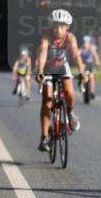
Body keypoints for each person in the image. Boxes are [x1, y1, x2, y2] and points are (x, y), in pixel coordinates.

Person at [35, 9, 86, 152]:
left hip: (62, 66)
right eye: (56, 26)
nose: (58, 29)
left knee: (69, 91)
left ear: (67, 27)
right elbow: (43, 54)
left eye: (62, 26)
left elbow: (76, 55)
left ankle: (70, 112)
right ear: (51, 26)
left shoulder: (70, 37)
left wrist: (81, 72)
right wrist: (40, 71)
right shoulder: (47, 36)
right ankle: (44, 137)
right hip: (48, 67)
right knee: (47, 99)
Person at [79, 34, 101, 98]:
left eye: (86, 42)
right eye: (84, 42)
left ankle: (92, 92)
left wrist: (97, 62)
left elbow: (95, 55)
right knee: (82, 75)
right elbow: (77, 54)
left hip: (90, 64)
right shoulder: (81, 48)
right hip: (83, 64)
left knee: (91, 77)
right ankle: (82, 85)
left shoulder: (91, 48)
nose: (85, 43)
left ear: (89, 43)